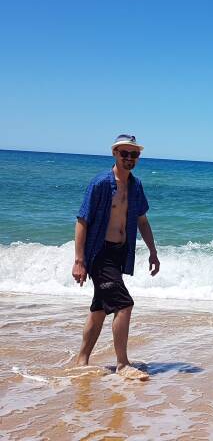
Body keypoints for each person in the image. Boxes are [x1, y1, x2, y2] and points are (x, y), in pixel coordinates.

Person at [72, 134, 160, 380]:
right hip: (99, 253)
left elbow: (142, 220)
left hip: (119, 253)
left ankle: (81, 361)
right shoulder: (101, 183)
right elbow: (82, 220)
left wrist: (153, 252)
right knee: (124, 304)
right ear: (115, 153)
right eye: (124, 153)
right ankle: (123, 365)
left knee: (100, 309)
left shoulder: (136, 186)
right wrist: (79, 260)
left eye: (134, 154)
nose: (129, 158)